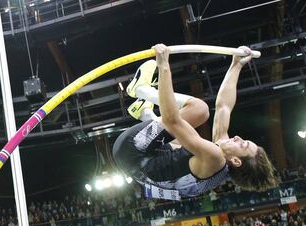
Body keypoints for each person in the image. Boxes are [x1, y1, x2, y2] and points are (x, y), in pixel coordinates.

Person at [113, 44, 277, 201]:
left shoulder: (215, 157)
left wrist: (164, 66)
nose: (238, 138)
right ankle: (144, 112)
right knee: (186, 140)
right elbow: (223, 107)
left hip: (130, 153)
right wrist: (236, 65)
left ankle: (140, 89)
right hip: (146, 165)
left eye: (243, 145)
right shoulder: (222, 160)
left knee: (199, 109)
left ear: (236, 161)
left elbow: (172, 120)